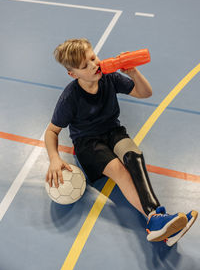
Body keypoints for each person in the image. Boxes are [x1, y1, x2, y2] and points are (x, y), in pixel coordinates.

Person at [45, 38, 198, 245]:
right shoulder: (70, 97)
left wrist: (133, 73)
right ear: (73, 74)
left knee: (134, 156)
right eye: (85, 66)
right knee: (119, 170)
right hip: (88, 143)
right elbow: (52, 131)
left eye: (93, 57)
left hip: (113, 131)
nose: (94, 65)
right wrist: (54, 159)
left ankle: (161, 225)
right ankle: (155, 219)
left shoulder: (109, 78)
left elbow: (145, 93)